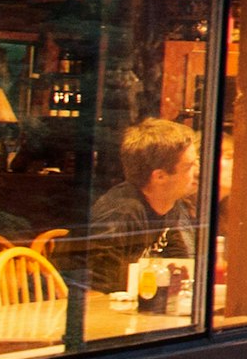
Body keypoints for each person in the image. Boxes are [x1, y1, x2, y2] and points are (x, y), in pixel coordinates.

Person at [85, 118, 201, 303]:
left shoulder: (170, 207)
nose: (197, 172)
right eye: (189, 166)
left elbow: (180, 270)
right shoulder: (122, 212)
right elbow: (98, 288)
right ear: (160, 176)